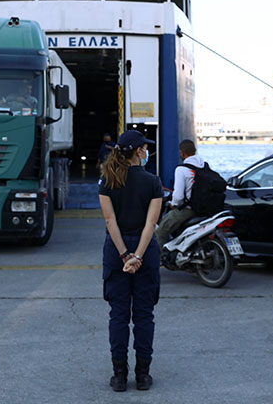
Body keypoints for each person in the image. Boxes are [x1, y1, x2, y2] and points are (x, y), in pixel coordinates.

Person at [98, 129, 163, 392]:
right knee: (144, 315)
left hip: (116, 253)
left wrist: (125, 254)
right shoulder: (153, 182)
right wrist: (137, 256)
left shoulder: (107, 181)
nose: (146, 151)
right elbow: (151, 224)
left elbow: (110, 222)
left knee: (119, 316)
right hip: (145, 253)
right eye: (144, 148)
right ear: (138, 151)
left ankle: (119, 376)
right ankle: (143, 376)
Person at [155, 140, 204, 246]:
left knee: (160, 233)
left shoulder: (181, 169)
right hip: (205, 208)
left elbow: (178, 197)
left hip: (189, 209)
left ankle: (157, 262)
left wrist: (173, 204)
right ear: (194, 151)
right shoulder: (204, 165)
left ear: (182, 153)